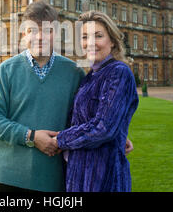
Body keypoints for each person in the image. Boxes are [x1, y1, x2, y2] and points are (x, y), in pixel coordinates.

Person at [0, 1, 133, 192]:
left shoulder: (74, 72)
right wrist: (31, 136)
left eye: (47, 31)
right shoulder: (7, 70)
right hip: (8, 178)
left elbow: (90, 116)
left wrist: (117, 135)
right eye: (32, 31)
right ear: (23, 34)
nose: (39, 37)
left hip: (54, 179)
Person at [55, 11, 139, 192]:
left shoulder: (118, 72)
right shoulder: (91, 75)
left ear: (113, 41)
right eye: (85, 37)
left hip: (103, 176)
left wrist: (59, 140)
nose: (90, 43)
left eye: (98, 36)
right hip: (79, 174)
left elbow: (103, 127)